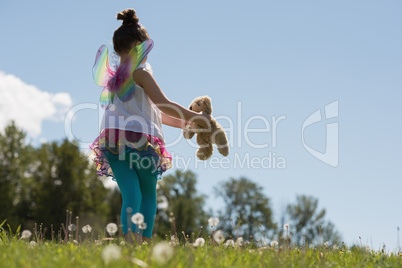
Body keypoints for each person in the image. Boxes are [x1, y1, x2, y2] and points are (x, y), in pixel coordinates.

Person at [89, 8, 211, 244]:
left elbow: (155, 112)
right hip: (141, 143)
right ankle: (139, 242)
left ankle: (133, 241)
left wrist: (185, 124)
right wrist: (198, 118)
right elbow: (164, 103)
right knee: (146, 194)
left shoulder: (113, 78)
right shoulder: (141, 72)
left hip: (115, 142)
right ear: (138, 45)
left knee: (132, 192)